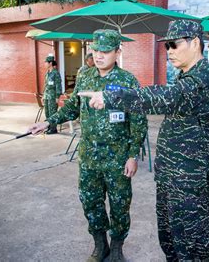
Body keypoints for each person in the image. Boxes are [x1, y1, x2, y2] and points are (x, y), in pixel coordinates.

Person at [82, 20, 209, 261]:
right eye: (167, 45)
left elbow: (165, 97)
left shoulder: (205, 77)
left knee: (191, 244)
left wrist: (113, 96)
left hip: (189, 181)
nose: (169, 51)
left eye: (174, 45)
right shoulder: (184, 76)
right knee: (169, 239)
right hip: (170, 176)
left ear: (195, 43)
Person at [28, 29, 147, 262]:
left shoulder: (127, 81)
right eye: (96, 50)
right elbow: (73, 106)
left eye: (105, 50)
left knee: (120, 204)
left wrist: (133, 155)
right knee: (90, 201)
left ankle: (116, 249)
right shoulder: (84, 76)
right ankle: (100, 245)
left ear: (117, 52)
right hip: (89, 156)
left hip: (117, 157)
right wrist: (48, 122)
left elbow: (138, 120)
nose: (99, 55)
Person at [43, 55, 62, 134]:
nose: (44, 64)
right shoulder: (47, 73)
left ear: (50, 63)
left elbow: (58, 86)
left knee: (53, 113)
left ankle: (53, 129)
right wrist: (43, 95)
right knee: (47, 112)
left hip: (53, 96)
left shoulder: (55, 73)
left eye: (46, 62)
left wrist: (57, 97)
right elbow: (45, 85)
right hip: (47, 96)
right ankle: (49, 127)